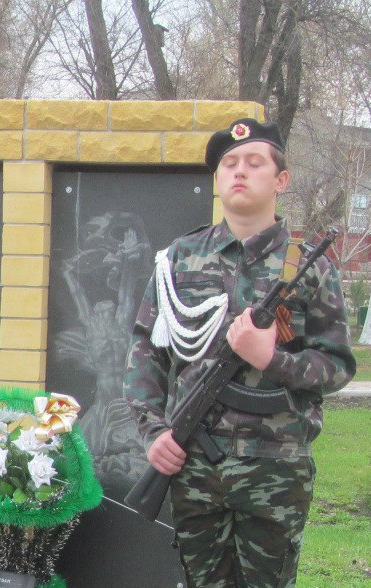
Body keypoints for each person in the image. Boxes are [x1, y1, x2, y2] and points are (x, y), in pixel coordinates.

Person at [123, 117, 355, 587]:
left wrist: (272, 360)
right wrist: (153, 432)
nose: (239, 172)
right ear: (217, 178)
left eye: (254, 162)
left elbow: (337, 366)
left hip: (276, 466)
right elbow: (146, 352)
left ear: (281, 179)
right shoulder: (178, 259)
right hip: (194, 465)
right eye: (229, 164)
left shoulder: (309, 267)